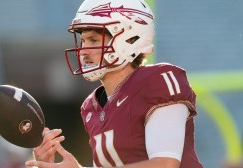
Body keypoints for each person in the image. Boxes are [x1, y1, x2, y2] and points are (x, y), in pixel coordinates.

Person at [25, 0, 203, 167]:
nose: (83, 51)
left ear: (129, 39)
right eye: (83, 41)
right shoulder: (91, 107)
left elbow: (165, 164)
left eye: (93, 40)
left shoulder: (157, 81)